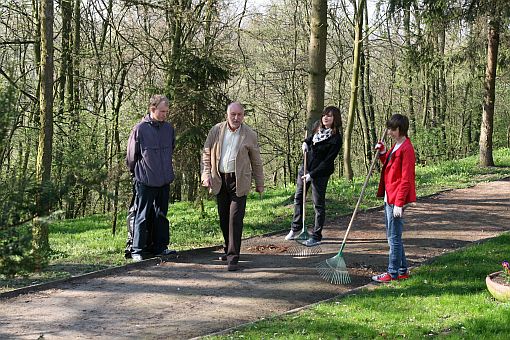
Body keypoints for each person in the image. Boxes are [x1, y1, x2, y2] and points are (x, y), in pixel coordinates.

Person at [201, 102, 264, 271]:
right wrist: (206, 174)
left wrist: (260, 183)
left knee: (235, 218)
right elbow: (206, 153)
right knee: (224, 218)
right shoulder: (216, 130)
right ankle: (228, 248)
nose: (236, 118)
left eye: (239, 115)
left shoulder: (249, 134)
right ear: (227, 115)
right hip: (220, 179)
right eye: (233, 115)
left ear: (243, 116)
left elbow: (256, 161)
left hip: (239, 181)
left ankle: (233, 257)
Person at [126, 94, 176, 261]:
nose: (164, 114)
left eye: (167, 112)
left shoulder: (169, 129)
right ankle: (137, 250)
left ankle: (161, 247)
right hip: (145, 180)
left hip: (164, 180)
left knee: (161, 215)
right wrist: (138, 174)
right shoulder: (139, 129)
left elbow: (171, 150)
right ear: (152, 109)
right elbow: (131, 157)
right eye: (162, 111)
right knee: (142, 215)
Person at [285, 106, 343, 247]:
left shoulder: (336, 139)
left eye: (329, 116)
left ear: (335, 119)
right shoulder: (318, 128)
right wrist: (305, 142)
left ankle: (316, 236)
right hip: (305, 168)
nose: (325, 118)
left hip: (320, 174)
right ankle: (295, 228)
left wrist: (312, 174)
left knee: (318, 204)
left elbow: (327, 161)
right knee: (298, 197)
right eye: (324, 115)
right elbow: (310, 138)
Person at [371, 113, 416, 282]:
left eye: (392, 129)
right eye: (388, 128)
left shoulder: (407, 149)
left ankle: (392, 273)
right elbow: (389, 167)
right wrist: (383, 152)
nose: (388, 132)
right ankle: (402, 270)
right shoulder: (396, 146)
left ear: (400, 130)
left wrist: (399, 203)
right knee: (393, 236)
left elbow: (406, 178)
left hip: (397, 199)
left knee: (394, 238)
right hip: (389, 196)